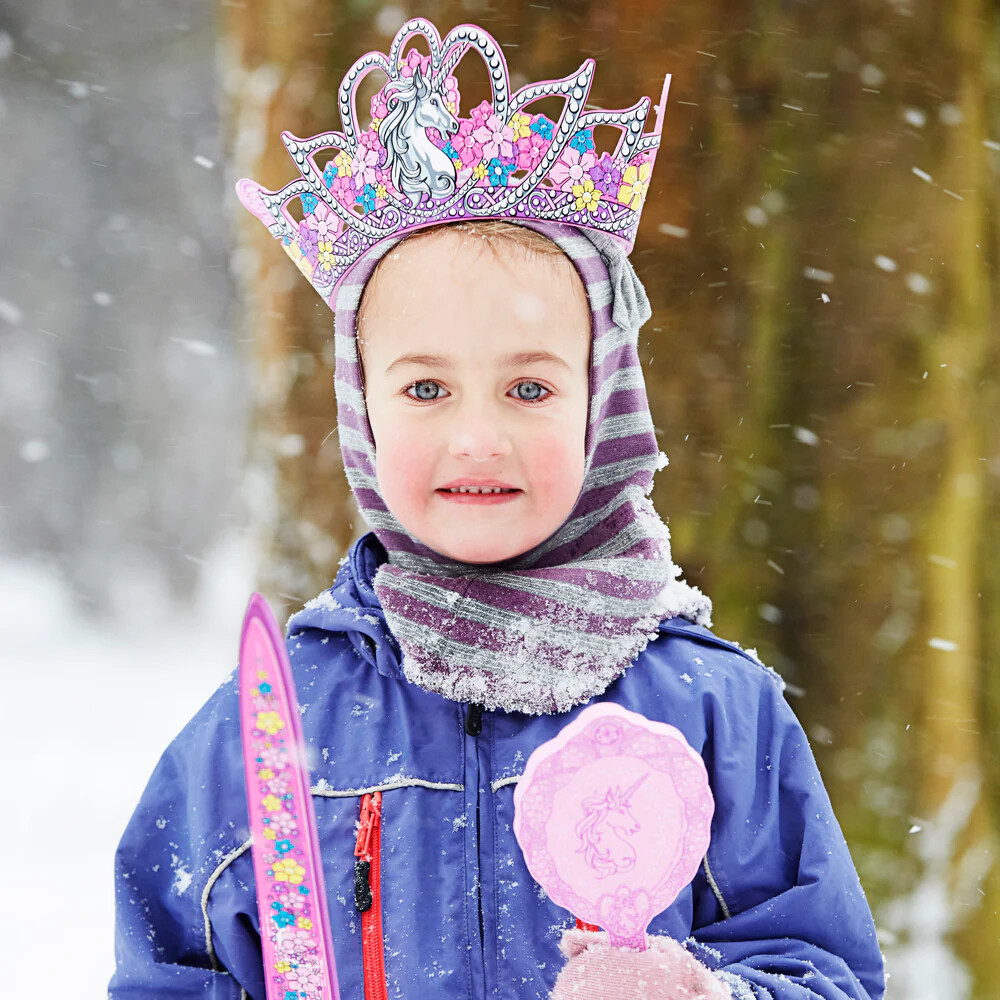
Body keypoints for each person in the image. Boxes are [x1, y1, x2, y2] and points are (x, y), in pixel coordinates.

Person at [108, 18, 886, 1000]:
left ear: (602, 401)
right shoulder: (269, 735)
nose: (478, 437)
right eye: (427, 389)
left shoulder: (715, 715)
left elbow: (827, 971)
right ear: (361, 414)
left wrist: (708, 995)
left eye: (528, 389)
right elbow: (169, 973)